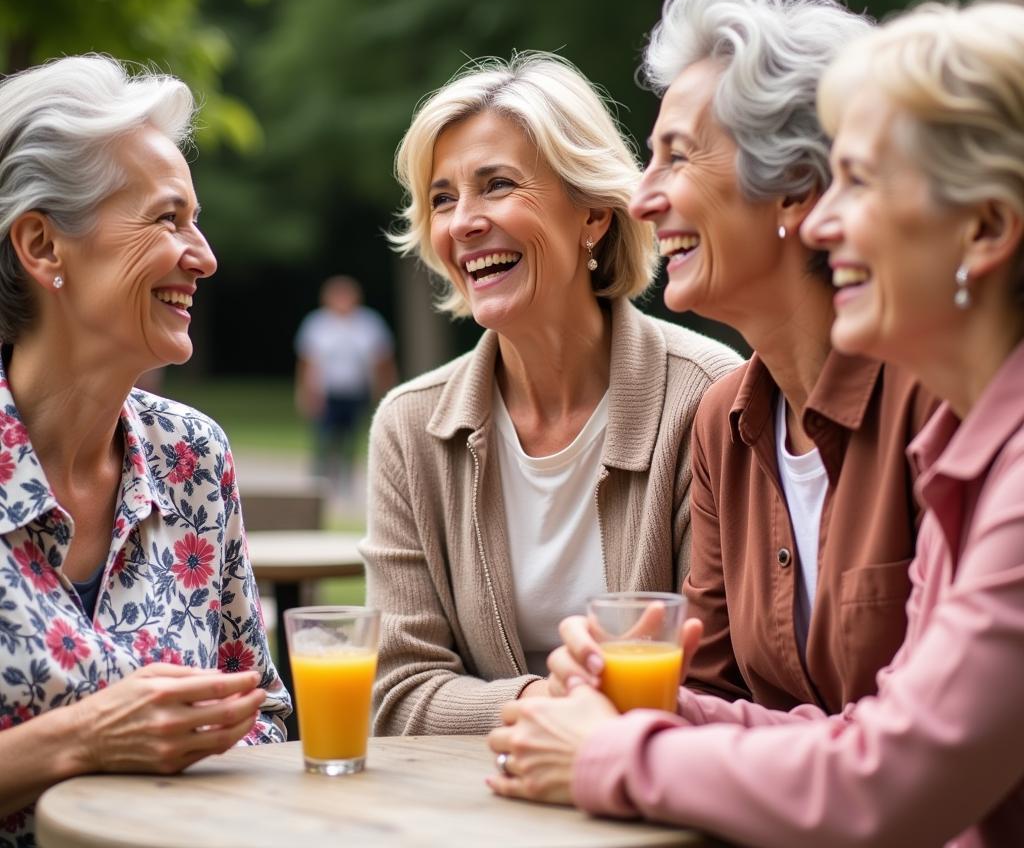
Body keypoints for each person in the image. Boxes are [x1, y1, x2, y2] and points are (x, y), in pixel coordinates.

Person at [488, 0, 1024, 846]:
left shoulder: (964, 433)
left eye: (860, 181)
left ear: (987, 228)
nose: (826, 219)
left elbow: (888, 779)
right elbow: (857, 736)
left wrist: (617, 752)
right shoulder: (959, 440)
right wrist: (647, 708)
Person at [549, 0, 937, 715]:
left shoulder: (934, 399)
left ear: (795, 183)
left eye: (678, 155)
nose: (640, 196)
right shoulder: (723, 421)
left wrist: (637, 744)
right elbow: (713, 687)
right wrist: (616, 699)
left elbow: (915, 747)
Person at [362, 52, 740, 736]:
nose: (463, 222)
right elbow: (396, 692)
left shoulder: (705, 394)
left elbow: (714, 675)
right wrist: (542, 699)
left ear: (593, 215)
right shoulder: (409, 426)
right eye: (443, 198)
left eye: (497, 185)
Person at [0, 55, 290, 845]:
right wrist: (82, 741)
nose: (203, 254)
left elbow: (260, 715)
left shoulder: (192, 456)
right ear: (43, 246)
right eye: (167, 220)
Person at [294, 275, 397, 492]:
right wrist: (305, 391)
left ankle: (345, 482)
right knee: (323, 437)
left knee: (351, 438)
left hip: (356, 391)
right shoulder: (317, 324)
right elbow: (306, 362)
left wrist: (384, 388)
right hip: (327, 392)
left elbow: (382, 359)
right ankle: (319, 482)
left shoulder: (369, 324)